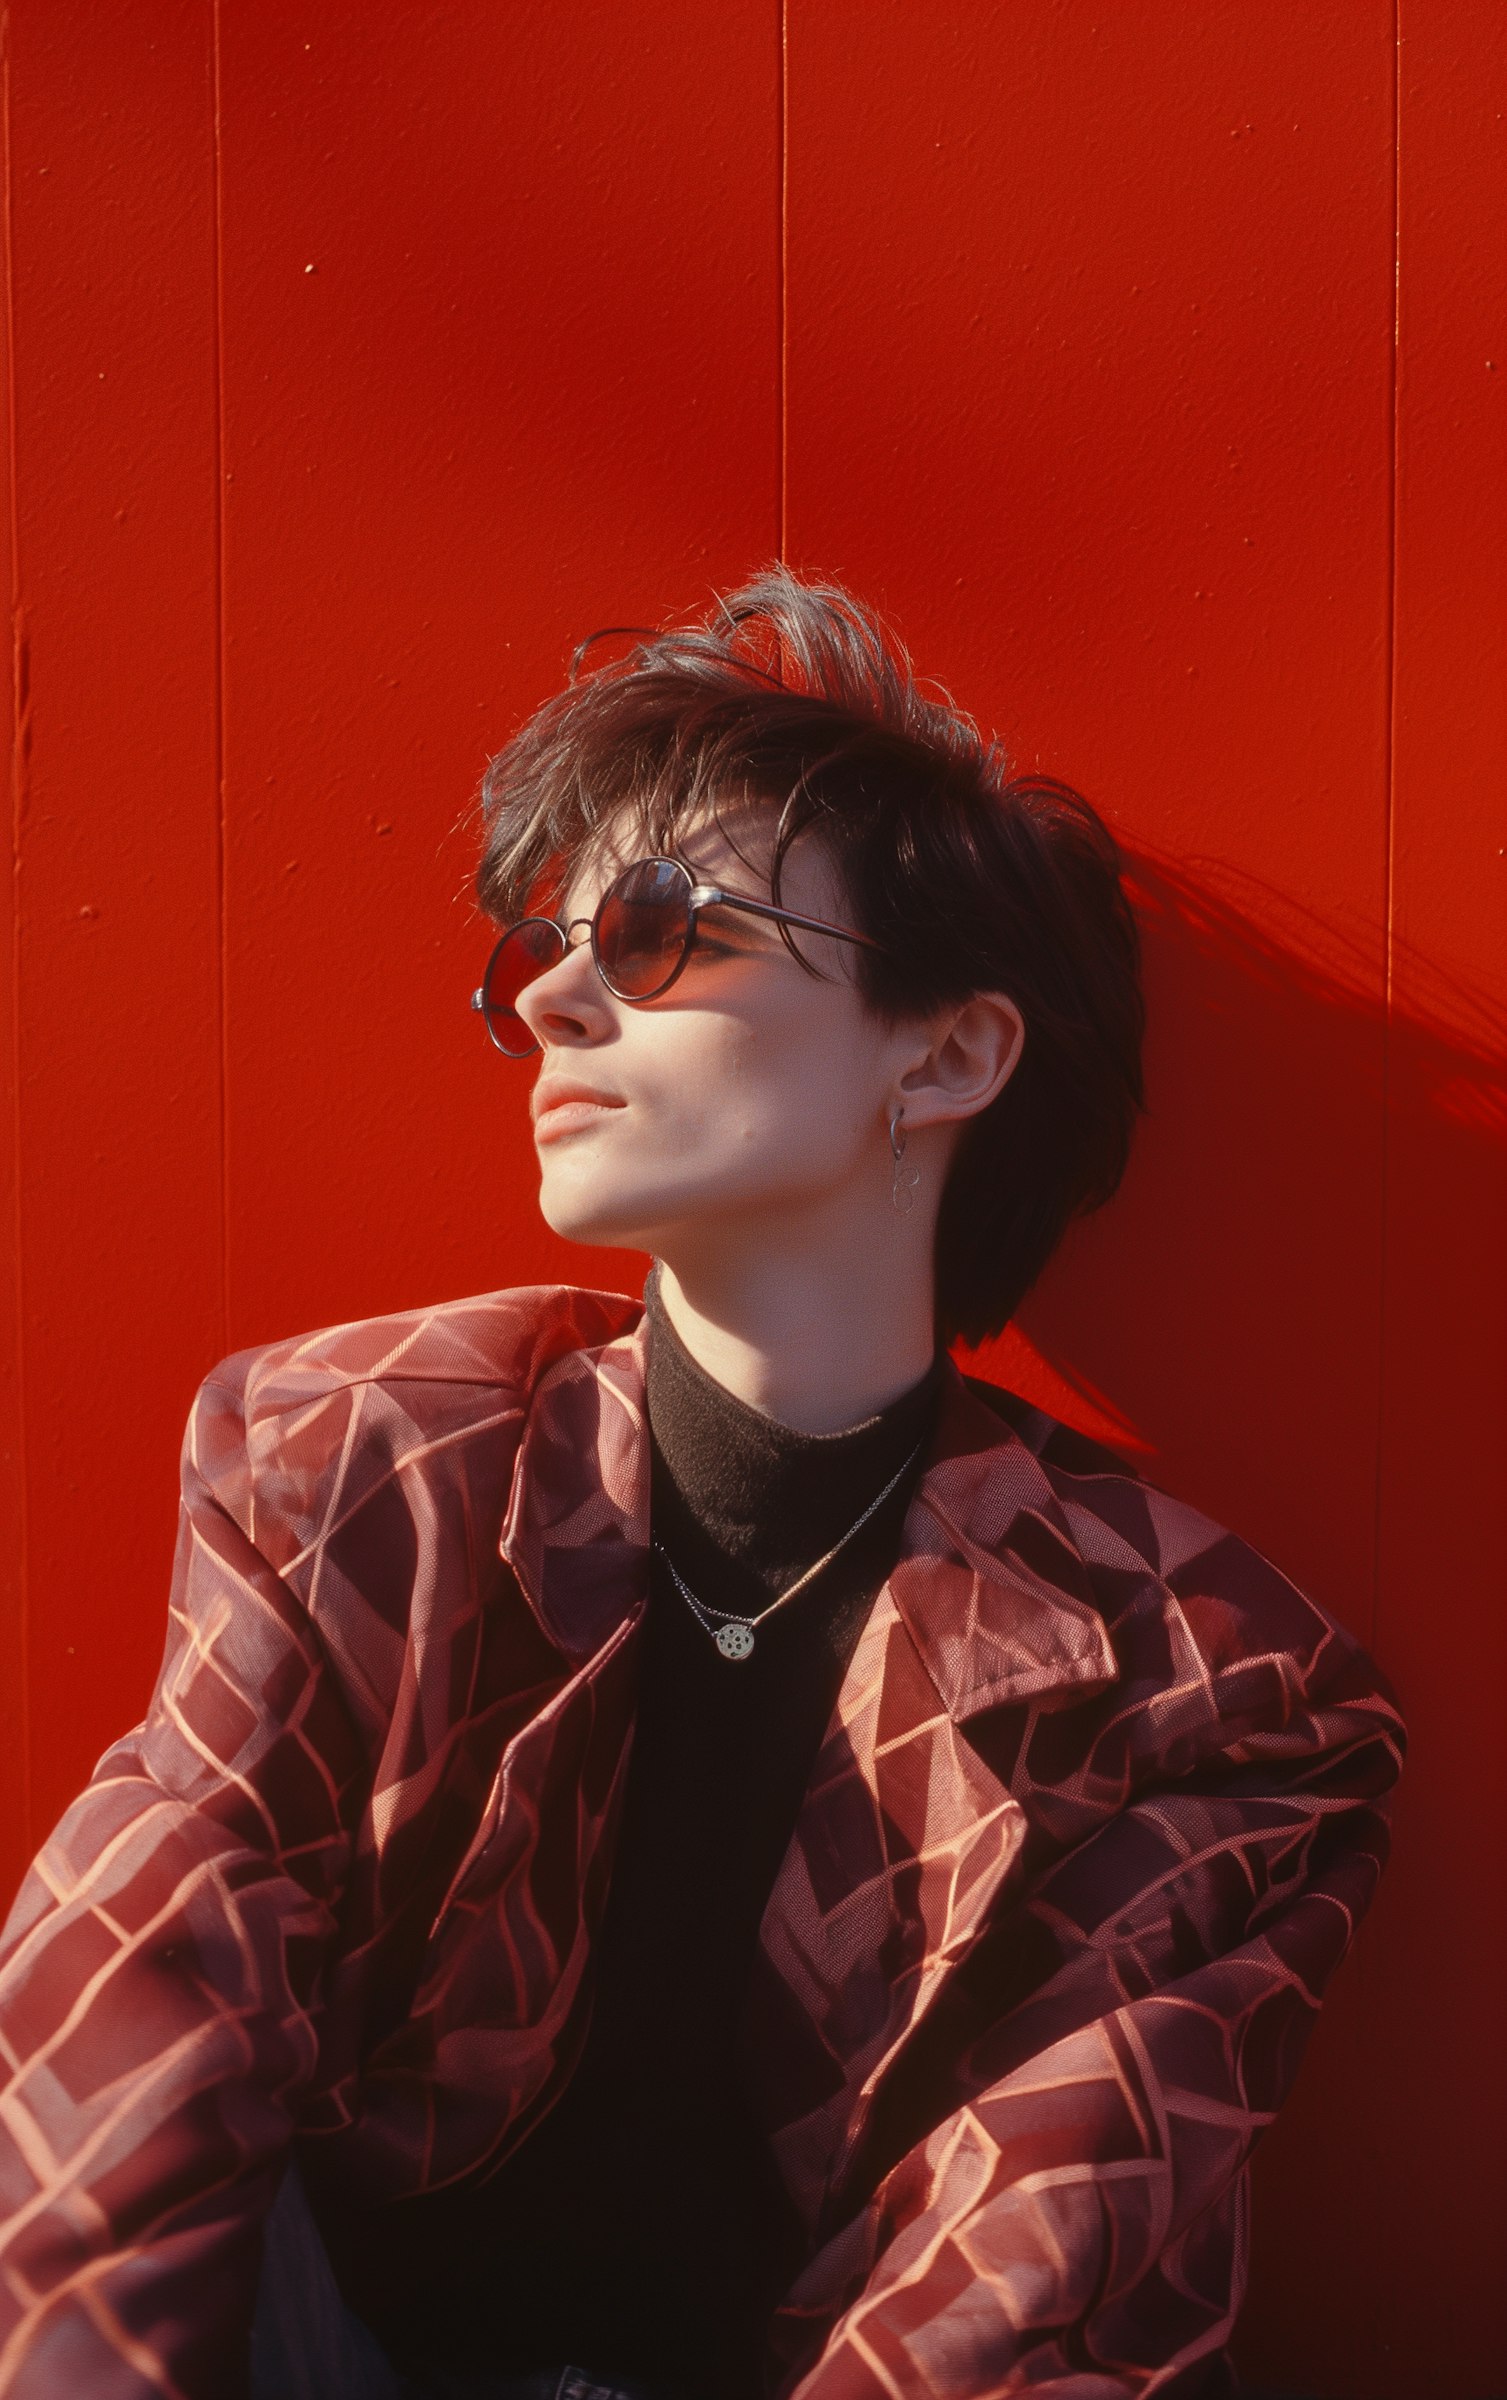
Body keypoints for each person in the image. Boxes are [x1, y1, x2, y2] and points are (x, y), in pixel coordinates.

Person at [0, 570, 1403, 2400]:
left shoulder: (1202, 1683)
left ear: (951, 1052)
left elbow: (1045, 2266)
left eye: (662, 925)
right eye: (542, 950)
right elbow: (129, 2006)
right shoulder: (364, 1460)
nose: (562, 996)